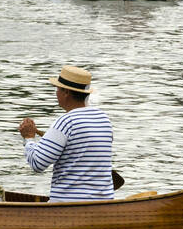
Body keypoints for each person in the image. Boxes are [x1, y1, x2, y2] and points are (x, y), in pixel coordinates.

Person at [17, 65, 114, 202]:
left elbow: (37, 163)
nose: (56, 92)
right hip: (104, 205)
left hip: (68, 208)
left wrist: (29, 138)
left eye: (57, 88)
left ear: (66, 92)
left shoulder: (66, 122)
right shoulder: (103, 119)